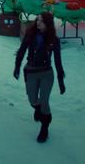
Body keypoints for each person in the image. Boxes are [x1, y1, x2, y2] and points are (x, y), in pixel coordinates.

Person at [14, 11, 65, 143]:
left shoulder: (54, 40)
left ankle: (45, 127)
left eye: (41, 21)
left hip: (46, 73)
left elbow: (58, 61)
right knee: (32, 99)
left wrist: (60, 80)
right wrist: (17, 66)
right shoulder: (30, 35)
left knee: (44, 101)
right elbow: (21, 50)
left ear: (48, 24)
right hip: (31, 71)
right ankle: (37, 108)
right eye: (37, 20)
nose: (38, 23)